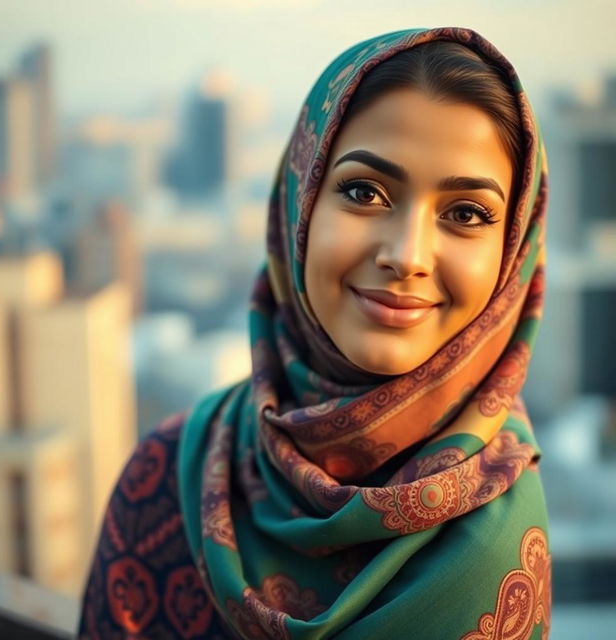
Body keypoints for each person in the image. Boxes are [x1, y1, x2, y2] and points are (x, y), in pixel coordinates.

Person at [78, 26, 550, 639]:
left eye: (466, 214)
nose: (407, 255)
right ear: (299, 202)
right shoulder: (171, 474)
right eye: (365, 192)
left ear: (513, 250)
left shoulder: (496, 536)